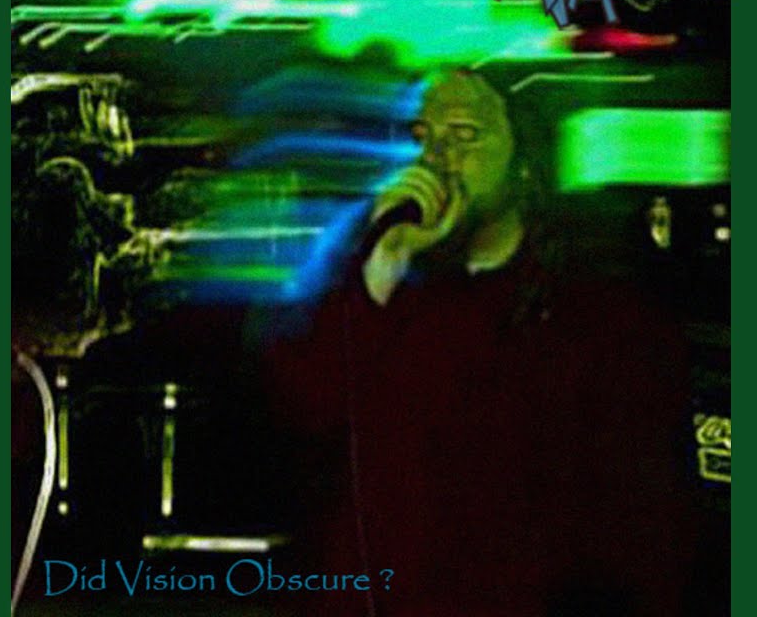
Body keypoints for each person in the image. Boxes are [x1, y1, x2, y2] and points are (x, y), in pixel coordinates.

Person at [269, 70, 695, 617]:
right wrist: (382, 268)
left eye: (465, 135)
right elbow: (306, 412)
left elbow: (637, 523)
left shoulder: (593, 316)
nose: (438, 158)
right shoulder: (379, 285)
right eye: (423, 137)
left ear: (523, 163)